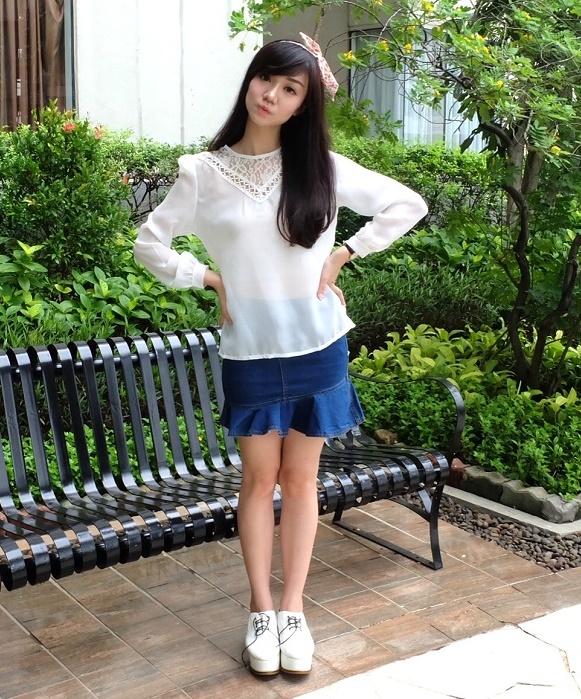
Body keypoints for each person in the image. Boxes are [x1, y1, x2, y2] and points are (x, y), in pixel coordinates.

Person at [133, 33, 427, 677]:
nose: (272, 94)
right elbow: (149, 245)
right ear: (251, 81)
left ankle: (293, 609)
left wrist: (345, 254)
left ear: (303, 104)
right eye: (267, 78)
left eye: (290, 88)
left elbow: (408, 204)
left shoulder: (321, 166)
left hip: (320, 346)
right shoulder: (202, 173)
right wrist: (206, 278)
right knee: (258, 481)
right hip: (251, 353)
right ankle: (260, 610)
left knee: (300, 482)